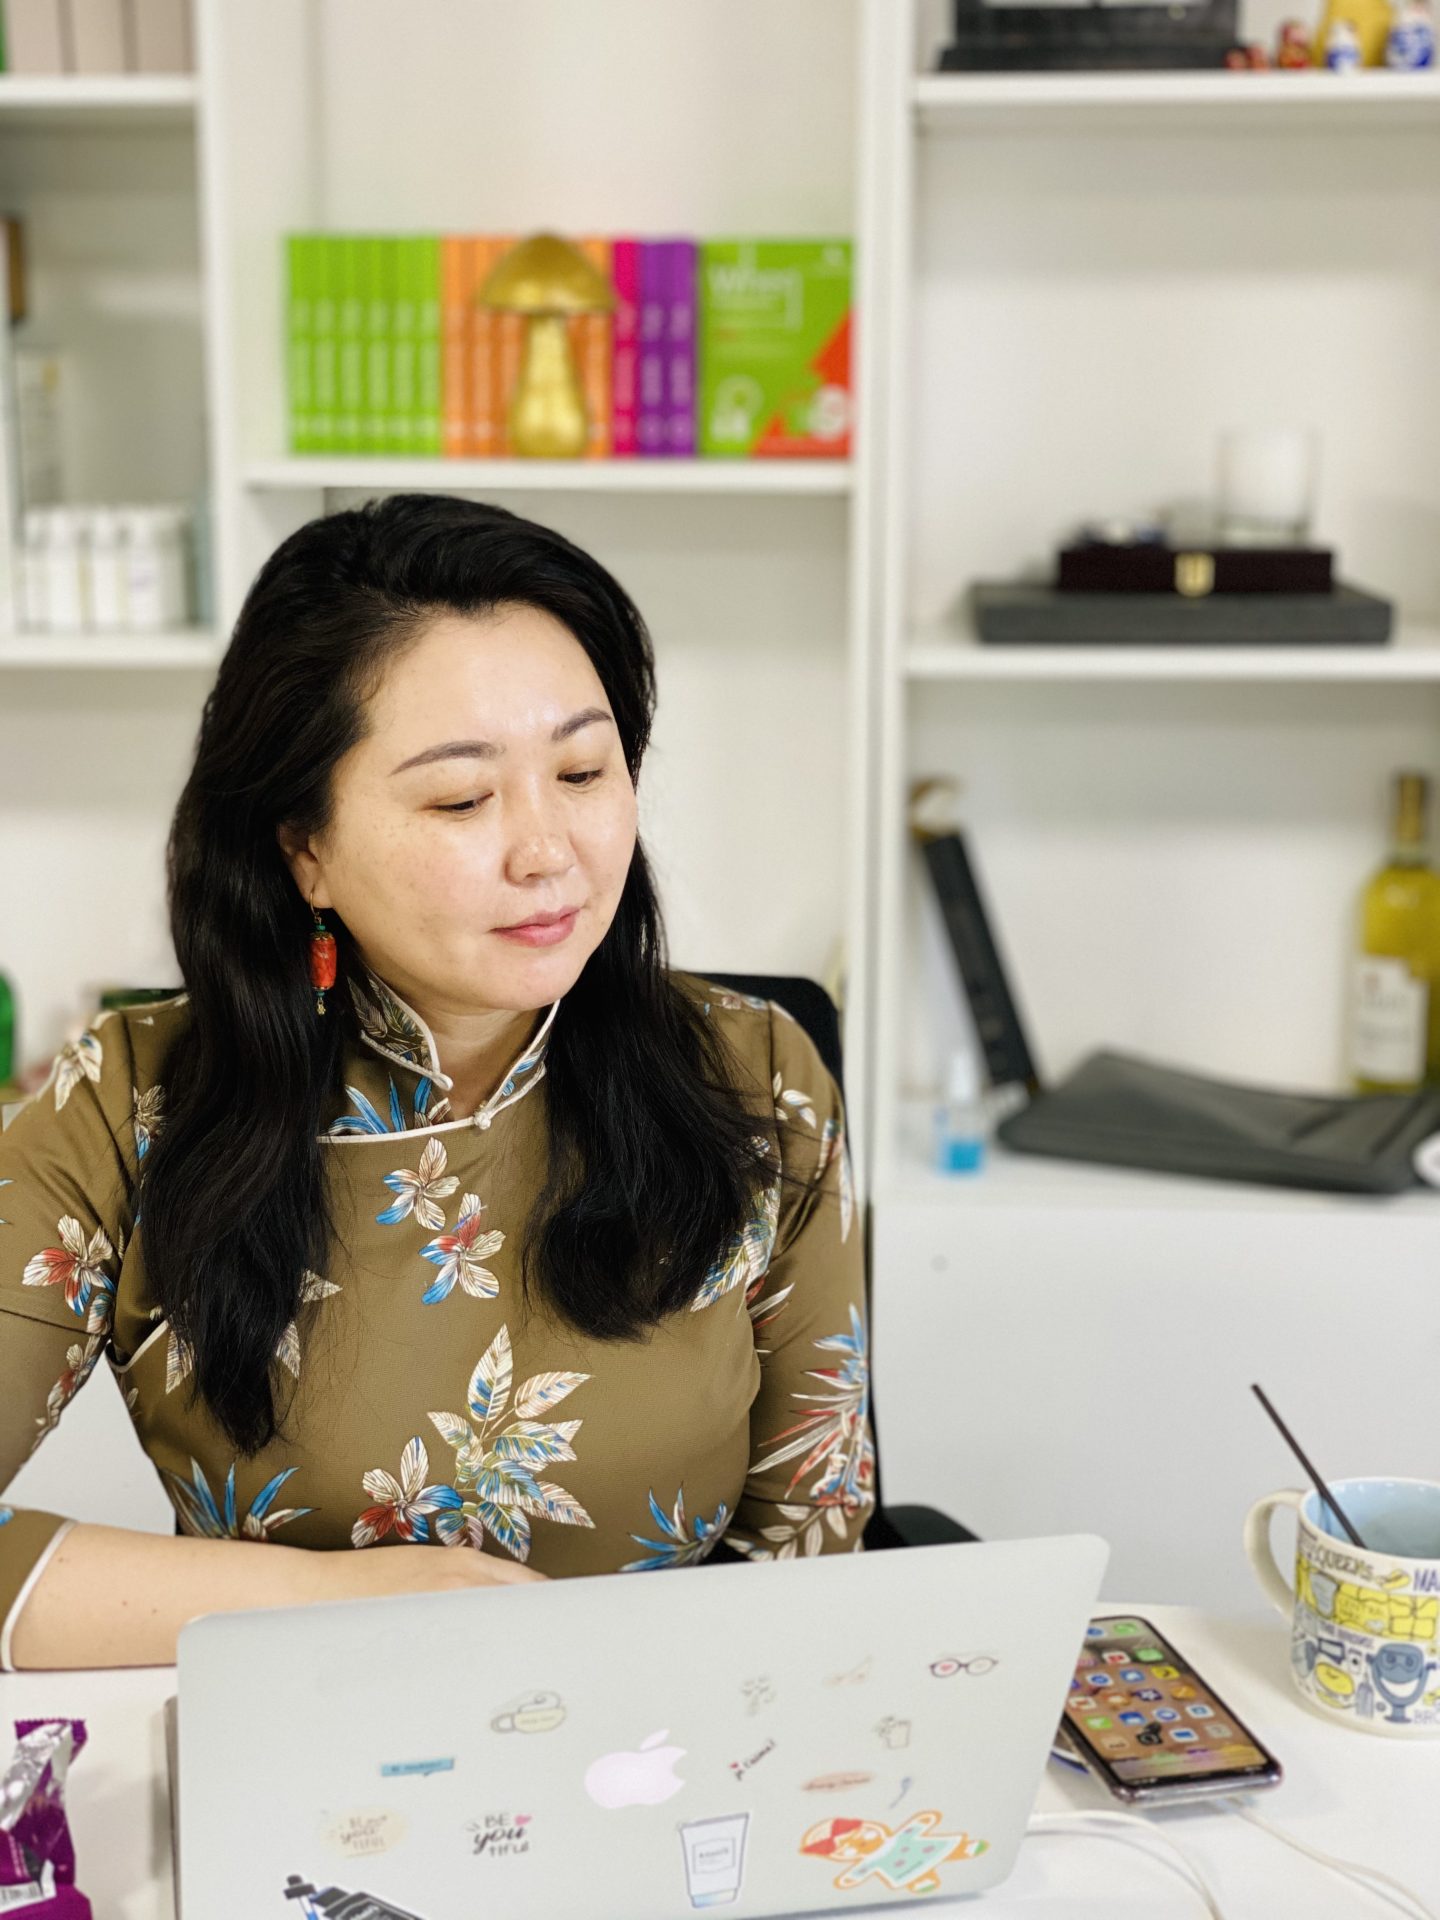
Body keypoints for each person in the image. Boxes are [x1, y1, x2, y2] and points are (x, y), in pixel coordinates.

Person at [0, 493, 874, 1671]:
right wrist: (336, 1607)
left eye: (582, 770)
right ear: (303, 845)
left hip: (666, 1754)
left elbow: (815, 1560)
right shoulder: (126, 1106)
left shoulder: (756, 1073)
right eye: (463, 798)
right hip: (306, 1758)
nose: (548, 850)